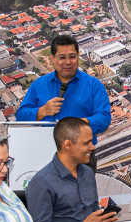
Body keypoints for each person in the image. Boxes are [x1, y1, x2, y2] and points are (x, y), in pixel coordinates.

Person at [15, 34, 111, 169]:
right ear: (52, 59)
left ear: (78, 55)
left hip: (81, 158)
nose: (68, 62)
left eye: (72, 56)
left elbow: (104, 119)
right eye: (62, 57)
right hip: (43, 155)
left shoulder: (94, 85)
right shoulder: (39, 85)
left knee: (81, 190)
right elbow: (21, 116)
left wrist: (80, 125)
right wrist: (42, 111)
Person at [26, 117, 117, 222]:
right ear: (68, 145)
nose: (93, 147)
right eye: (87, 143)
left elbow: (93, 212)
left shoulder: (87, 173)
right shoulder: (42, 182)